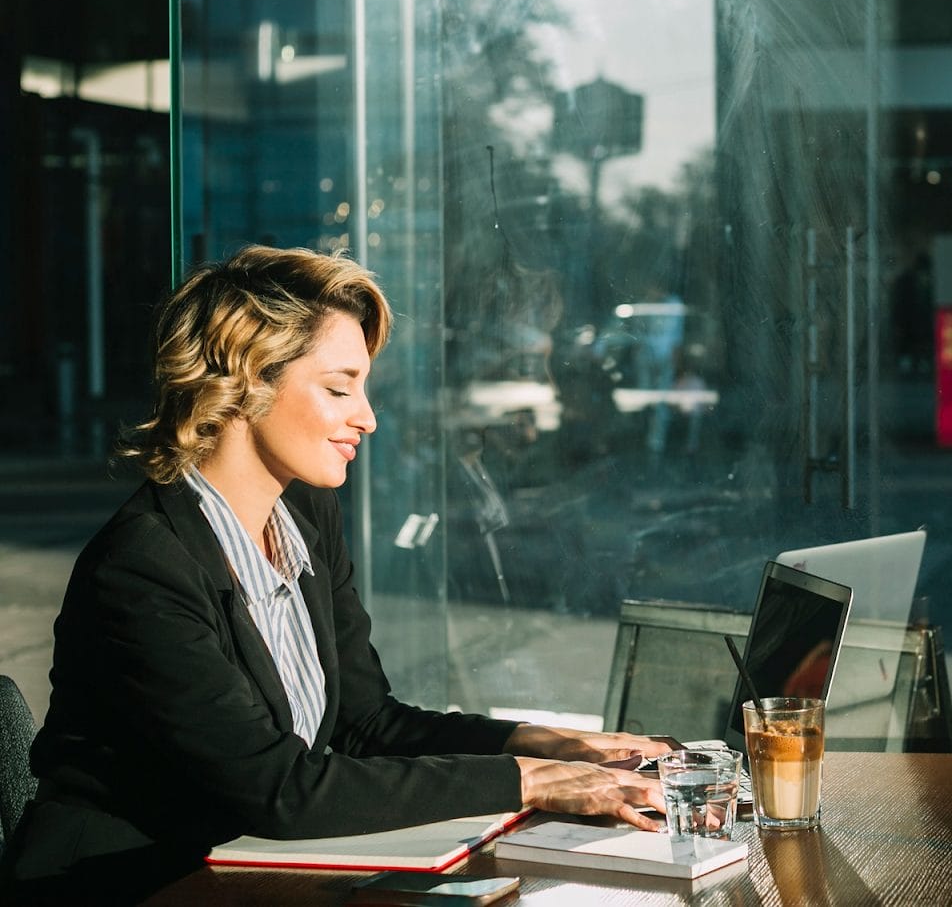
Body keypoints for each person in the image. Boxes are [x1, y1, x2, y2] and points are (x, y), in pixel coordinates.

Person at [0, 246, 669, 904]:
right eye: (339, 388)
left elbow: (365, 725)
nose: (367, 417)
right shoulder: (142, 566)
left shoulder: (305, 513)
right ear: (248, 380)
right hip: (131, 883)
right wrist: (531, 779)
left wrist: (545, 743)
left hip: (256, 871)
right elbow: (280, 790)